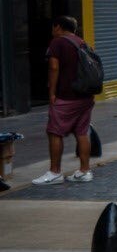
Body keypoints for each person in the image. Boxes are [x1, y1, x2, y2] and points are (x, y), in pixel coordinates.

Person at [31, 16, 96, 186]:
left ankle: (54, 172)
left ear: (58, 27)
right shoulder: (82, 42)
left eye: (53, 27)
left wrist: (52, 93)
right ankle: (84, 171)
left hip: (66, 96)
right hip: (85, 96)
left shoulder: (57, 42)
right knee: (82, 133)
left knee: (54, 132)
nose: (52, 31)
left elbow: (54, 67)